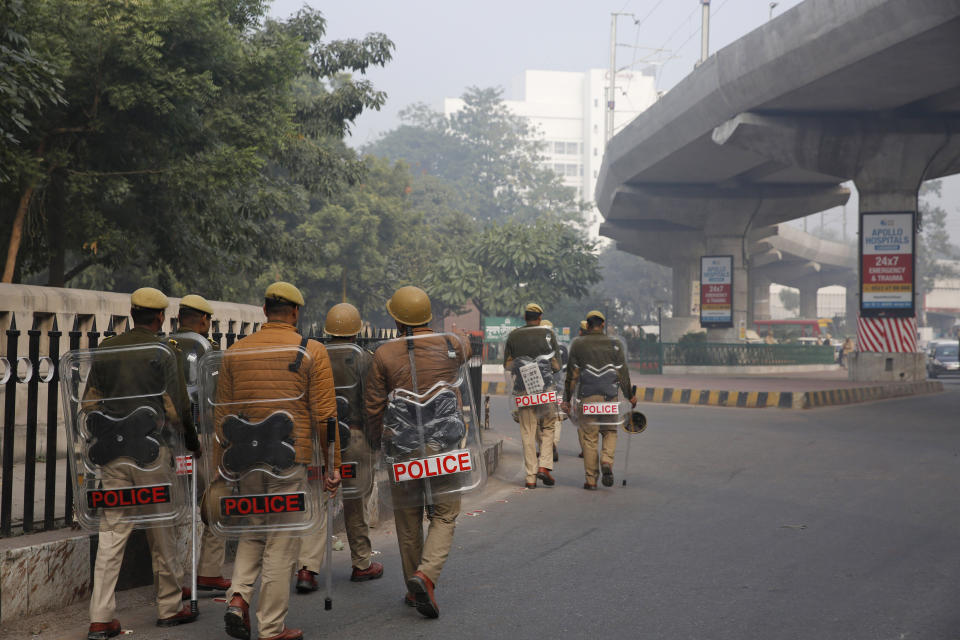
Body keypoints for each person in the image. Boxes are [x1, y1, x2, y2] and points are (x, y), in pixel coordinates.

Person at [219, 282, 340, 640]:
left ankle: (238, 599)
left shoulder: (234, 352)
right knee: (282, 540)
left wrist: (220, 469)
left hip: (244, 460)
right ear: (296, 313)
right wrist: (332, 466)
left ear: (264, 310)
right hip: (289, 458)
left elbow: (222, 417)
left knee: (253, 531)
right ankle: (271, 627)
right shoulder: (311, 351)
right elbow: (325, 417)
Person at [85, 287, 202, 639]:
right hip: (152, 455)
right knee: (161, 529)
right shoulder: (163, 351)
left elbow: (90, 402)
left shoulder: (105, 349)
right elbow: (176, 407)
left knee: (111, 532)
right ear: (160, 317)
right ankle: (169, 607)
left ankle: (101, 617)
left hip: (112, 456)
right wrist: (192, 444)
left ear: (132, 312)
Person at [366, 285, 469, 619]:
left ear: (397, 320)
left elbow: (373, 406)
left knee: (408, 517)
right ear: (428, 316)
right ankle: (426, 575)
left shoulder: (383, 354)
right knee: (445, 514)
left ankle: (414, 588)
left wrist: (374, 444)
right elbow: (466, 346)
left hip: (403, 450)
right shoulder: (451, 345)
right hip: (445, 448)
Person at [296, 303, 384, 592]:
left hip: (319, 438)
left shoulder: (311, 356)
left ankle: (307, 569)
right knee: (356, 498)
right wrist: (375, 440)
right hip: (356, 437)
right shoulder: (364, 359)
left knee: (317, 501)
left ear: (328, 329)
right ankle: (361, 563)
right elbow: (372, 404)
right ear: (357, 330)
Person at [171, 294, 231, 597]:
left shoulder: (163, 347)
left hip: (169, 440)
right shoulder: (208, 351)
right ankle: (209, 571)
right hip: (203, 439)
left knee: (173, 510)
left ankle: (172, 582)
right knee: (215, 501)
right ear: (205, 320)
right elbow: (216, 402)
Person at [562, 310, 637, 490]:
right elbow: (623, 374)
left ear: (587, 325)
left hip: (587, 398)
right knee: (610, 431)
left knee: (589, 438)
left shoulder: (578, 345)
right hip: (610, 398)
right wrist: (629, 395)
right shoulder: (615, 344)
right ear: (603, 325)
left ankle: (591, 480)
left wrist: (566, 399)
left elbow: (572, 376)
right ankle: (606, 461)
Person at [504, 303, 561, 488]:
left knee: (528, 431)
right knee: (549, 427)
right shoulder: (547, 334)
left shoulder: (513, 335)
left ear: (525, 317)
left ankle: (530, 477)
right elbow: (557, 366)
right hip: (545, 389)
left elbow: (507, 365)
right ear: (539, 317)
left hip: (523, 389)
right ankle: (544, 466)